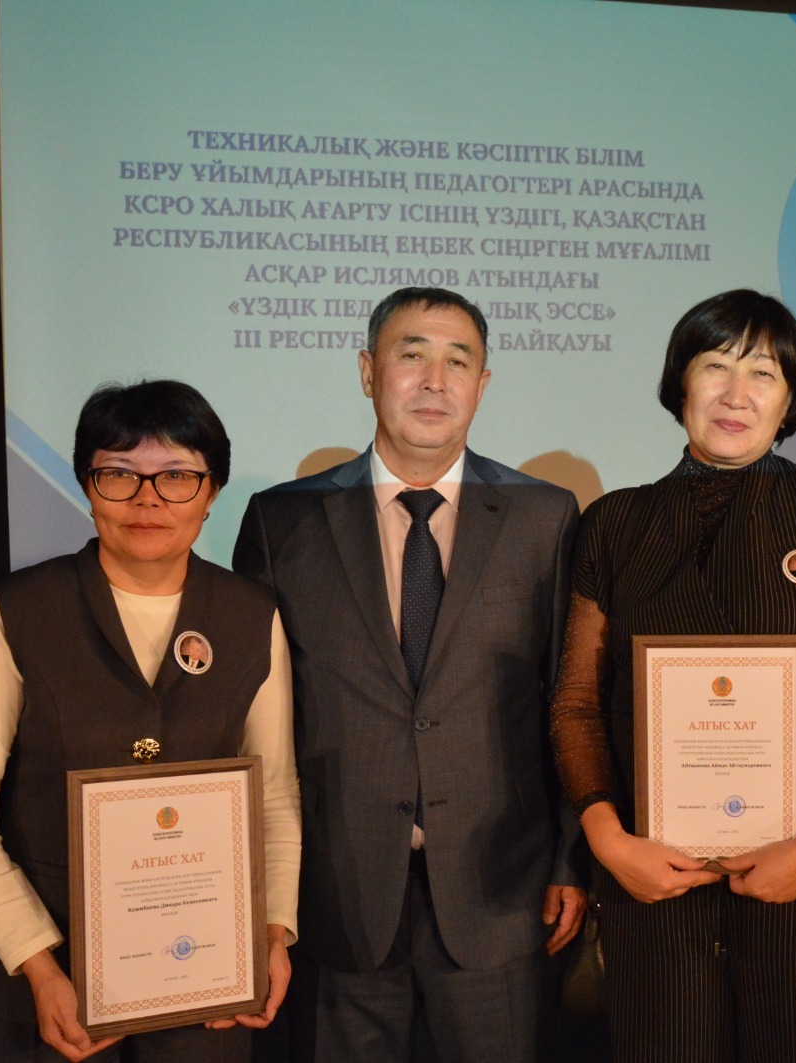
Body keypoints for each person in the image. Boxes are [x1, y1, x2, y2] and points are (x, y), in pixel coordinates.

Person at [233, 287, 586, 1061]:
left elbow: (569, 700)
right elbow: (254, 723)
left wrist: (570, 858)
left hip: (502, 890)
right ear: (368, 371)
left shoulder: (545, 516)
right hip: (336, 892)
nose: (434, 381)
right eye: (411, 354)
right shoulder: (281, 520)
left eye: (458, 361)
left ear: (482, 384)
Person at [550, 289, 796, 1061]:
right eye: (715, 366)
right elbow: (575, 703)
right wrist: (610, 841)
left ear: (791, 398)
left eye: (763, 373)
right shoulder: (613, 523)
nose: (737, 393)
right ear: (681, 383)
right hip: (654, 875)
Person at [0, 380, 300, 1062]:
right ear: (87, 485)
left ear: (212, 491)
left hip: (202, 986)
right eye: (119, 474)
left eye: (177, 476)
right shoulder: (19, 609)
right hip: (38, 989)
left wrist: (272, 932)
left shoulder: (251, 614)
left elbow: (274, 795)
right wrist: (38, 964)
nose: (147, 499)